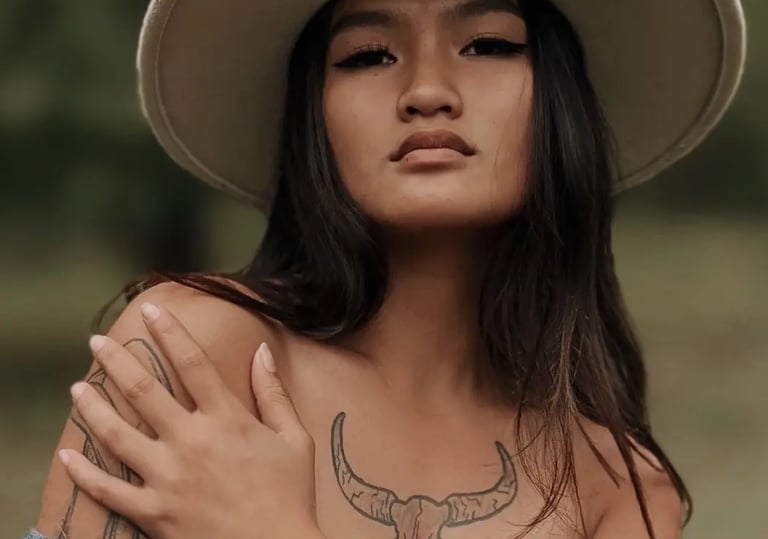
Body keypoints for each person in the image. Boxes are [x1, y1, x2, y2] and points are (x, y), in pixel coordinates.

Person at [25, 0, 746, 538]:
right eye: (368, 55)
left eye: (488, 43)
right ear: (314, 112)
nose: (427, 89)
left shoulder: (618, 488)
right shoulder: (193, 355)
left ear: (561, 101)